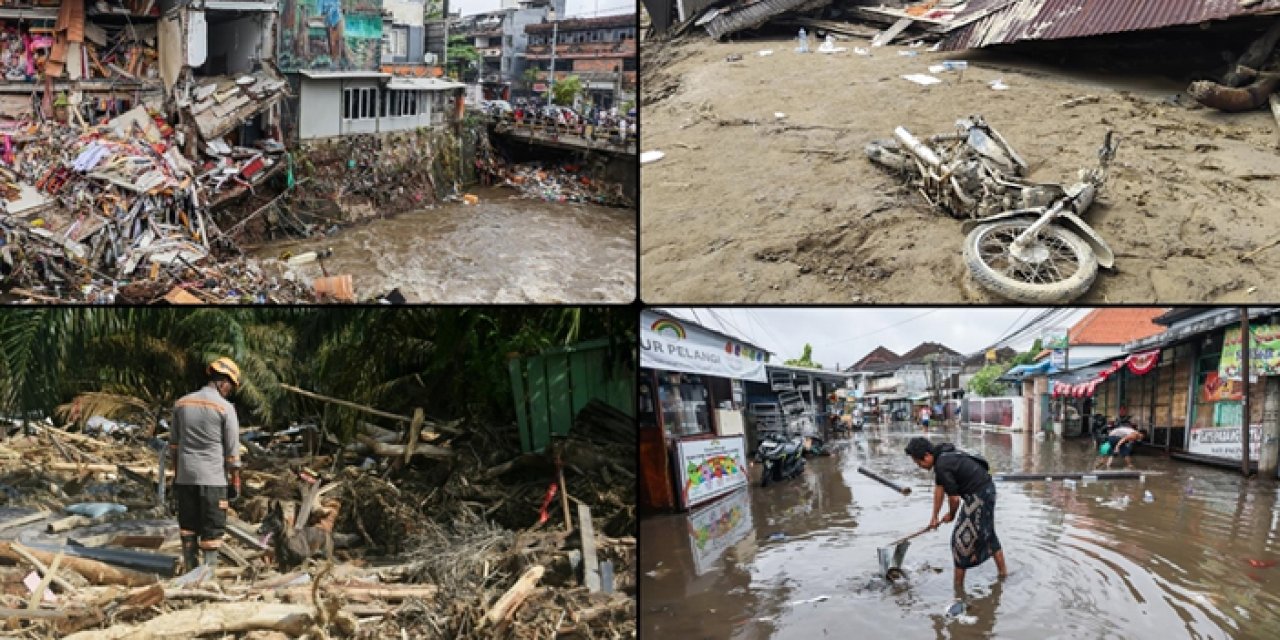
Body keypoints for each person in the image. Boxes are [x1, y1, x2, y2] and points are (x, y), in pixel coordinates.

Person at [905, 437, 1007, 593]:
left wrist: (951, 515)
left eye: (918, 463)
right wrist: (934, 516)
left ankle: (958, 591)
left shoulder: (942, 465)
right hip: (987, 490)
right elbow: (939, 488)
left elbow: (954, 499)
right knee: (988, 534)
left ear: (926, 455)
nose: (919, 466)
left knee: (960, 542)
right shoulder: (942, 454)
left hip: (979, 495)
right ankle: (1003, 574)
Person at [171, 357, 243, 573]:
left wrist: (177, 477)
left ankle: (191, 571)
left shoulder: (181, 403)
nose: (229, 391)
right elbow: (232, 453)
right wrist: (236, 482)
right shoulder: (225, 408)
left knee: (188, 528)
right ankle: (208, 577)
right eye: (230, 386)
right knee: (212, 530)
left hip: (185, 478)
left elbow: (173, 447)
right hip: (213, 480)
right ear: (224, 382)